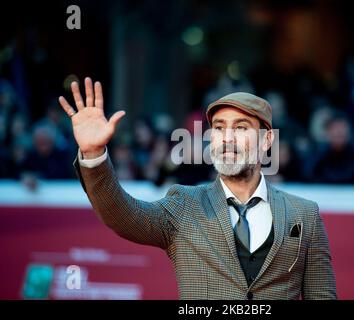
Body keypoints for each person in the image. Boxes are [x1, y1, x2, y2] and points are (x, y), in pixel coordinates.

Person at [58, 77, 337, 300]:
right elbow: (122, 215)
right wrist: (94, 154)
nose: (227, 138)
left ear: (266, 142)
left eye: (240, 128)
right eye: (218, 128)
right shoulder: (184, 205)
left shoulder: (304, 215)